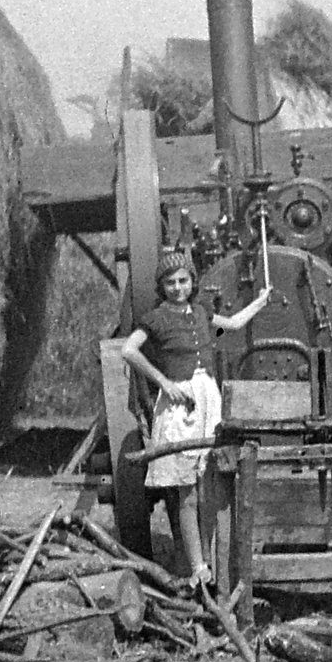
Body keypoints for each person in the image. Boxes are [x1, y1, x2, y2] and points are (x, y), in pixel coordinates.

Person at [120, 249, 272, 586]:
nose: (177, 287)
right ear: (163, 286)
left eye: (183, 281)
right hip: (180, 407)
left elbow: (229, 326)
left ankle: (215, 560)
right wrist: (164, 383)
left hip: (209, 402)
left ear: (192, 282)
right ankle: (197, 567)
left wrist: (260, 302)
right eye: (170, 282)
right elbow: (128, 350)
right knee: (186, 490)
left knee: (212, 484)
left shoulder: (202, 313)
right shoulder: (157, 318)